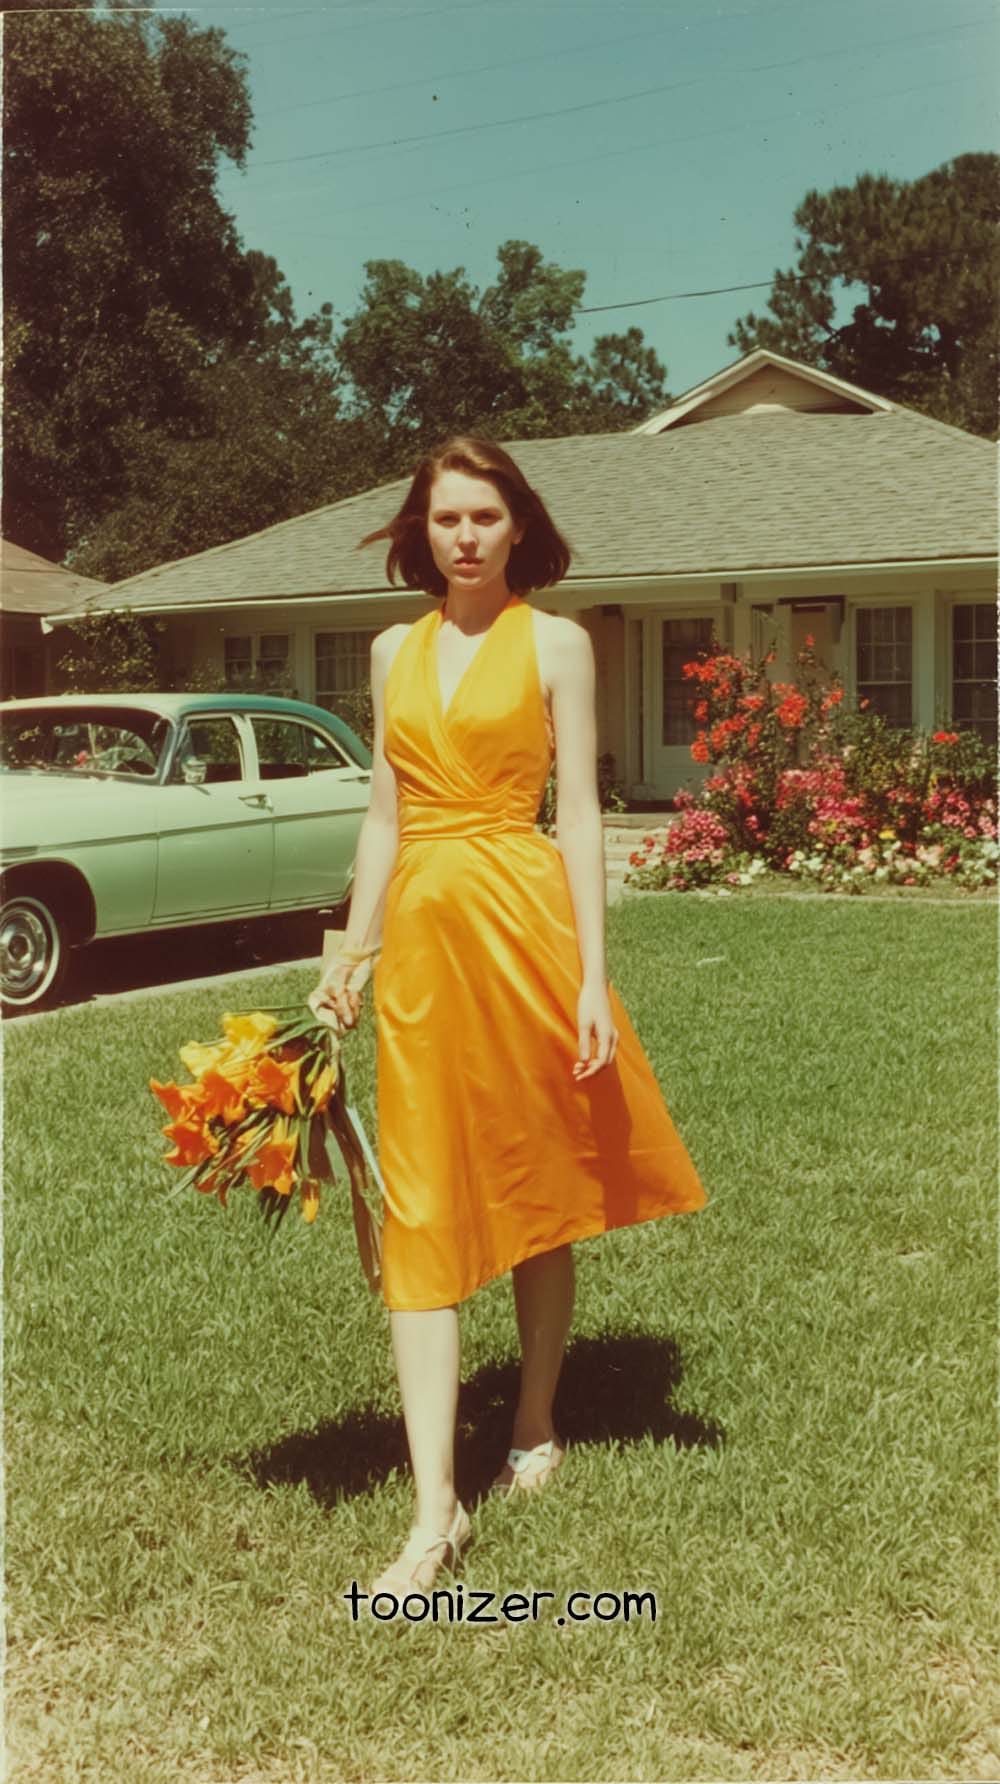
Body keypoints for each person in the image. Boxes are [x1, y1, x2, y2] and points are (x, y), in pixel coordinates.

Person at [307, 436, 707, 1598]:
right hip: (422, 954)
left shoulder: (558, 642)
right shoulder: (392, 650)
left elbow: (577, 813)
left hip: (526, 933)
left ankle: (533, 1413)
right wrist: (349, 953)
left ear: (517, 526)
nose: (466, 536)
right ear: (420, 531)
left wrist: (591, 977)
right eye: (446, 518)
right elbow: (384, 818)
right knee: (419, 1205)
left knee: (534, 1181)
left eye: (484, 515)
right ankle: (435, 1512)